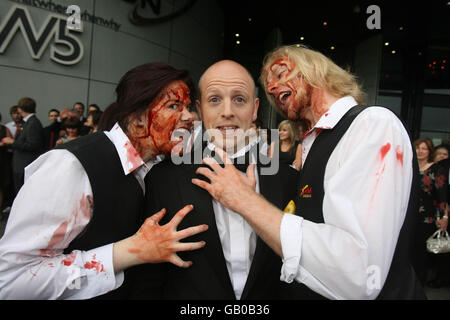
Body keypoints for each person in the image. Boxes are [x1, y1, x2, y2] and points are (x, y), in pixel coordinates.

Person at [192, 45, 425, 299]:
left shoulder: (372, 124)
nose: (272, 87)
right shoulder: (312, 144)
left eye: (281, 74)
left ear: (315, 70)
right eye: (269, 85)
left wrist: (246, 201)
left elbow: (359, 274)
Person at [0, 62, 207, 300]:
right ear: (137, 118)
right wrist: (132, 252)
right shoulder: (71, 166)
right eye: (174, 106)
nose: (190, 116)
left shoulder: (155, 168)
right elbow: (13, 280)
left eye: (189, 107)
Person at [142, 60, 301, 299]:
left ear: (255, 109)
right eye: (214, 100)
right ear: (200, 109)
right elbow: (150, 277)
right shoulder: (163, 179)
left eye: (239, 99)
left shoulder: (290, 179)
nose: (227, 111)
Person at [0, 97, 44, 194]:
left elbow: (32, 145)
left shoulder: (33, 123)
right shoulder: (28, 122)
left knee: (23, 193)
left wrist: (13, 142)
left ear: (20, 108)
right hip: (20, 164)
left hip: (25, 165)